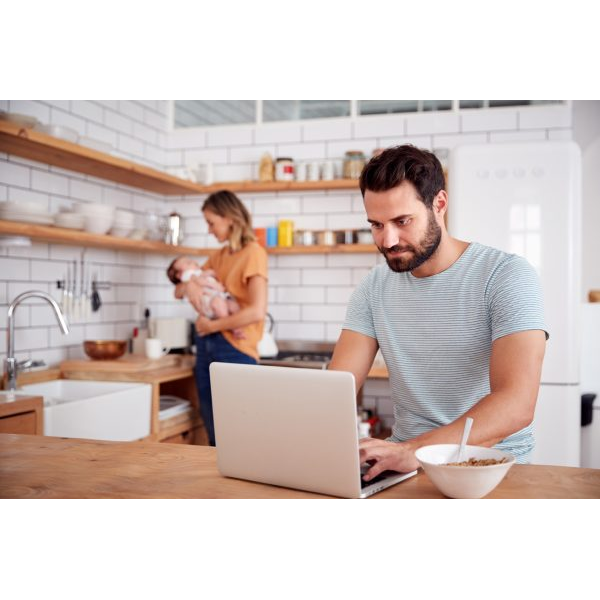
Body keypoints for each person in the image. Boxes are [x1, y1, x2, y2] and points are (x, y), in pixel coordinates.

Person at [328, 145, 548, 483]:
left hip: (490, 467)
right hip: (405, 468)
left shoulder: (506, 275)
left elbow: (517, 404)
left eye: (402, 221)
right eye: (376, 224)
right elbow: (335, 389)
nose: (387, 240)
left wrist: (411, 450)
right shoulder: (373, 288)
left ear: (439, 204)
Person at [180, 190, 268, 446]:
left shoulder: (253, 253)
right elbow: (181, 285)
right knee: (214, 435)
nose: (209, 230)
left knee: (240, 436)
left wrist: (213, 324)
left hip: (235, 349)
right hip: (206, 345)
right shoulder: (219, 256)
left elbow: (256, 311)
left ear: (229, 218)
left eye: (211, 222)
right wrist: (190, 285)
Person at [166, 256, 245, 339]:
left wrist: (210, 273)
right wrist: (215, 285)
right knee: (220, 305)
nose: (193, 261)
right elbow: (198, 282)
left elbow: (208, 274)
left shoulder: (199, 272)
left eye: (191, 260)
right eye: (188, 263)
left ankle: (237, 325)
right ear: (180, 275)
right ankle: (234, 328)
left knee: (233, 306)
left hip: (219, 297)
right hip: (210, 302)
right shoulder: (189, 275)